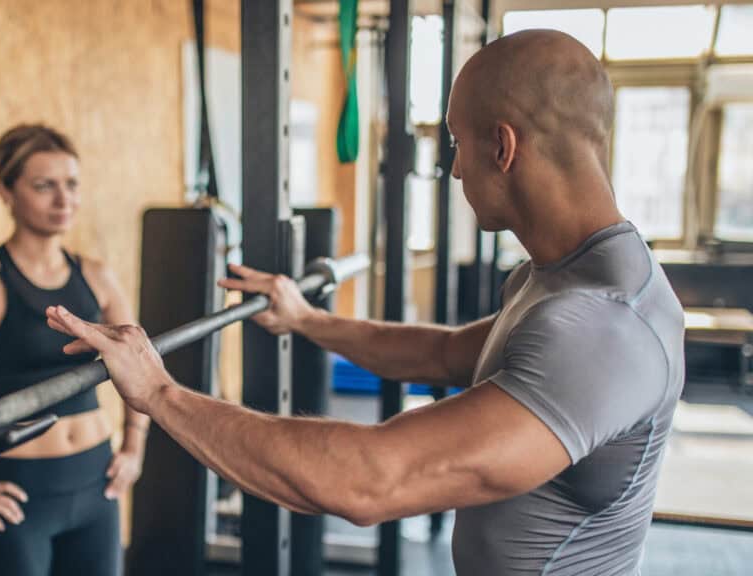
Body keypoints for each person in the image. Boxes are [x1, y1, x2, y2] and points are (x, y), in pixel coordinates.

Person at [47, 30, 685, 575]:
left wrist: (160, 393)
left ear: (503, 146)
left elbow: (373, 479)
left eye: (456, 145)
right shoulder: (558, 278)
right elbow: (443, 352)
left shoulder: (605, 323)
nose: (456, 171)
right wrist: (307, 319)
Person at [0, 124, 148, 576]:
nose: (63, 200)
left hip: (95, 482)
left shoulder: (96, 276)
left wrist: (134, 447)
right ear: (6, 192)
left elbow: (139, 365)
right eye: (44, 186)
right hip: (19, 491)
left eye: (71, 185)